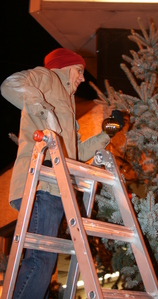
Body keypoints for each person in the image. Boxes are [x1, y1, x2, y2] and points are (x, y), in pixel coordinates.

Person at [0, 48, 111, 299]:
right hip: (41, 183)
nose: (82, 78)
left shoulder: (68, 103)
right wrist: (45, 111)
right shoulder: (47, 78)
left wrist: (107, 135)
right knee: (41, 260)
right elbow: (10, 85)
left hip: (55, 185)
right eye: (79, 71)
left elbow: (73, 153)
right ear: (65, 67)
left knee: (45, 261)